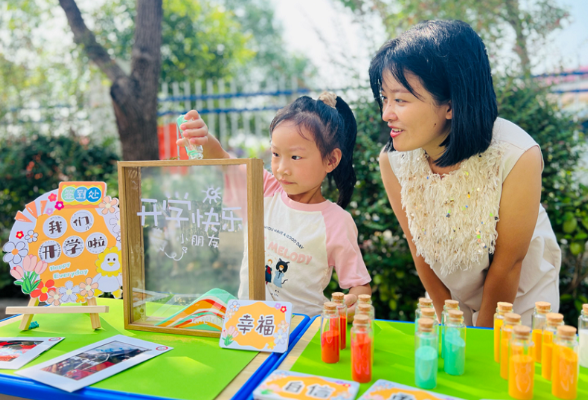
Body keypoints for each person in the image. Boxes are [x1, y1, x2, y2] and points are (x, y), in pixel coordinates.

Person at [370, 20, 560, 327]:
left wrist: (479, 338)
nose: (386, 114)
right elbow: (416, 245)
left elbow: (508, 265)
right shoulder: (393, 162)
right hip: (456, 308)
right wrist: (452, 324)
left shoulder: (516, 154)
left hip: (521, 307)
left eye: (401, 100)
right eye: (385, 97)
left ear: (452, 104)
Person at [177, 92, 372, 317]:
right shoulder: (263, 189)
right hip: (247, 327)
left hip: (303, 335)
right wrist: (203, 139)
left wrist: (351, 304)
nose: (281, 168)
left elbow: (360, 286)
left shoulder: (336, 221)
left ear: (331, 160)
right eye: (276, 154)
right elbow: (221, 158)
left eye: (295, 157)